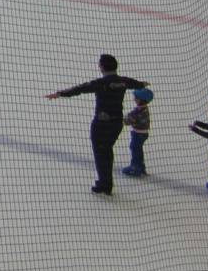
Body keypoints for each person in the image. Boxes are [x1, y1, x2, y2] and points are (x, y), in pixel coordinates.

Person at [46, 53, 150, 193]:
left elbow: (81, 88)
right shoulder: (123, 81)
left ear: (101, 67)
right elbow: (135, 83)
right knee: (107, 150)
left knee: (101, 153)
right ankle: (106, 182)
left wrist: (60, 93)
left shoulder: (101, 83)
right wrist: (142, 84)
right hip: (116, 123)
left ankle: (104, 184)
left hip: (102, 124)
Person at [122, 87, 154, 178]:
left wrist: (121, 119)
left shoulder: (138, 111)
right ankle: (141, 167)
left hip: (138, 134)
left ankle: (135, 168)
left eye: (136, 98)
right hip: (142, 133)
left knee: (135, 149)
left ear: (140, 100)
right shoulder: (143, 108)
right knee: (138, 149)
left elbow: (127, 121)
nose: (134, 99)